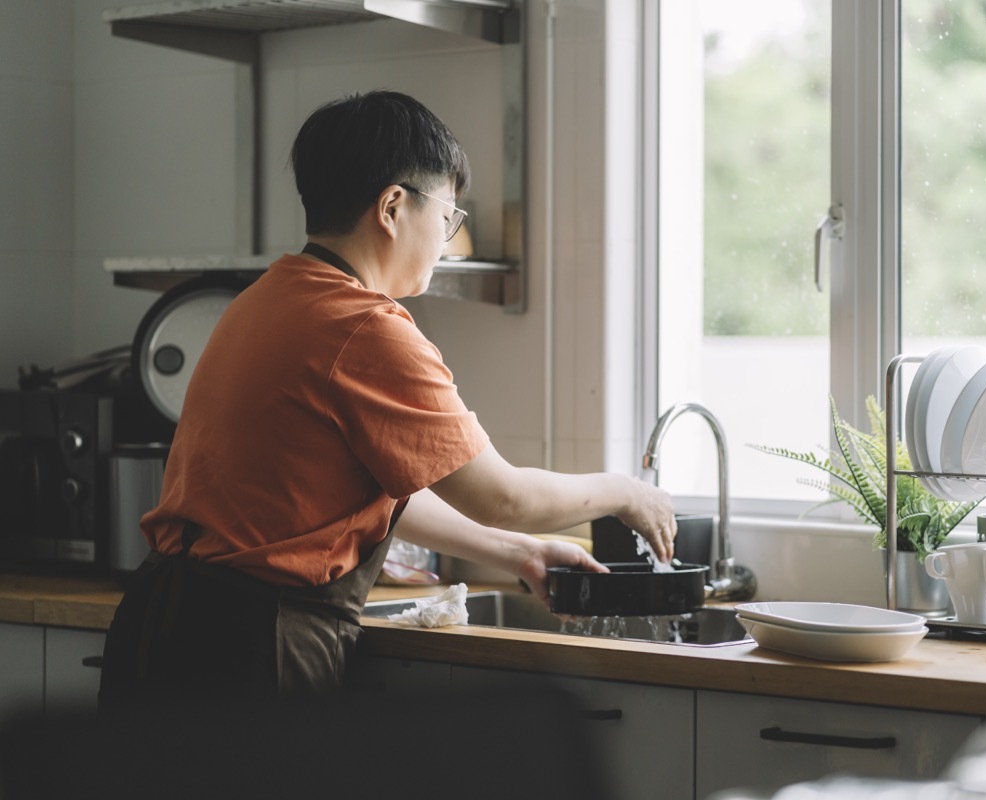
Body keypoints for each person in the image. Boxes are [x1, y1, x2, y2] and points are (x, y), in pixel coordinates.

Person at [98, 90, 676, 708]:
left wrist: (520, 552)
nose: (449, 240)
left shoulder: (267, 299)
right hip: (249, 647)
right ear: (393, 206)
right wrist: (625, 492)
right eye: (449, 217)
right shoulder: (363, 327)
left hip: (161, 625)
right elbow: (501, 496)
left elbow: (373, 492)